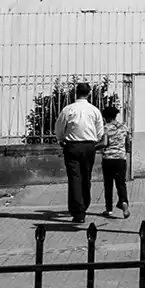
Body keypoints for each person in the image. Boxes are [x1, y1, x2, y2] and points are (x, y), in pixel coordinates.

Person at [54, 82, 103, 224]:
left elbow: (59, 127)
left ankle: (78, 211)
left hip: (72, 146)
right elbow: (100, 131)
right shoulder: (94, 110)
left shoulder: (68, 109)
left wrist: (61, 139)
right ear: (89, 93)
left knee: (75, 178)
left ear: (75, 93)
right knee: (86, 176)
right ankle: (85, 204)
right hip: (89, 146)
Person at [99, 102, 131, 219]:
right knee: (121, 183)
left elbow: (104, 143)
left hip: (108, 159)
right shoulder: (124, 127)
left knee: (108, 185)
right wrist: (124, 151)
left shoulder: (106, 128)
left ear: (106, 117)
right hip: (121, 159)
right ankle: (124, 203)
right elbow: (128, 143)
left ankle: (109, 210)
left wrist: (95, 146)